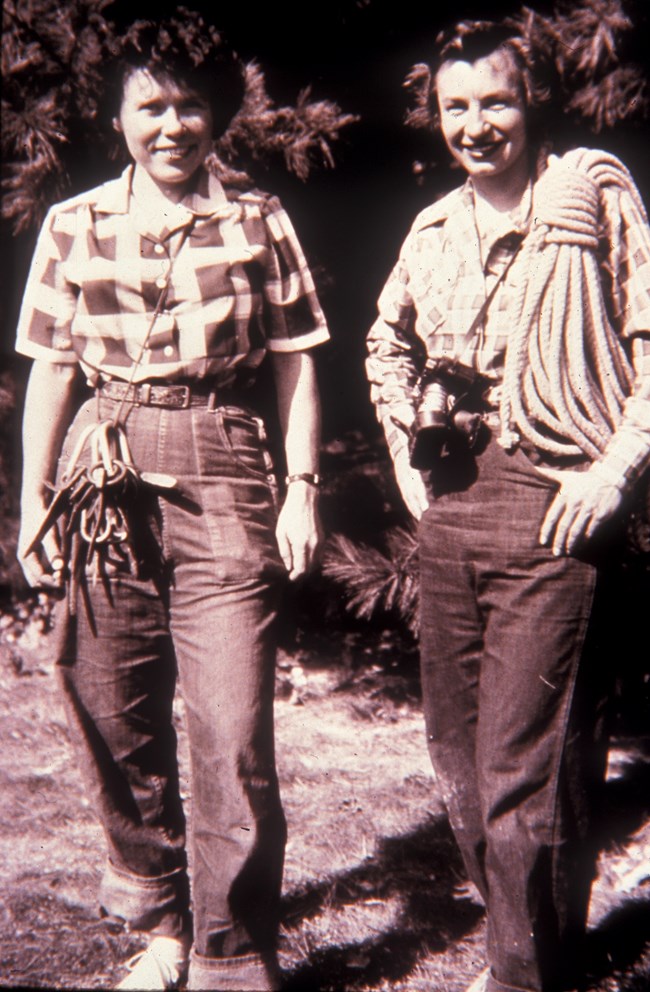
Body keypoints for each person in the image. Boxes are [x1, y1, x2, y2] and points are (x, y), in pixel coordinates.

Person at [15, 10, 328, 991]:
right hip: (101, 458)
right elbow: (51, 372)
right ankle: (156, 915)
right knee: (108, 697)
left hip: (223, 456)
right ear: (120, 116)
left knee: (231, 719)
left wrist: (300, 486)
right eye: (151, 106)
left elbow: (296, 364)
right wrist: (32, 497)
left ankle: (230, 951)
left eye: (190, 106)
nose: (172, 126)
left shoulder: (258, 217)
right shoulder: (74, 224)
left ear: (216, 117)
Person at [366, 18, 650, 992]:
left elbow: (648, 344)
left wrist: (610, 472)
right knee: (455, 744)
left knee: (519, 760)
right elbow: (383, 342)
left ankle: (520, 973)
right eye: (456, 106)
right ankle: (533, 937)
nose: (475, 123)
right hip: (453, 499)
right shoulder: (434, 226)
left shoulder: (587, 203)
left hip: (553, 487)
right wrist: (407, 451)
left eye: (494, 100)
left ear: (528, 104)